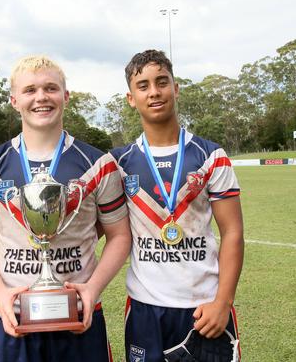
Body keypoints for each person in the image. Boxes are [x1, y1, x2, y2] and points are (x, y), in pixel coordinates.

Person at [0, 55, 131, 362]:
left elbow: (120, 235)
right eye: (29, 90)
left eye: (51, 88)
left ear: (65, 96)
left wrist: (92, 289)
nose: (41, 97)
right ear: (14, 100)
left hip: (79, 315)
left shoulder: (98, 164)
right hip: (13, 317)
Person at [111, 49, 244, 362]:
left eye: (162, 82)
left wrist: (223, 302)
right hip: (144, 307)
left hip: (205, 306)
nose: (154, 92)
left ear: (175, 88)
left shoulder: (211, 156)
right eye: (142, 86)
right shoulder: (118, 163)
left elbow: (233, 232)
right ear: (131, 98)